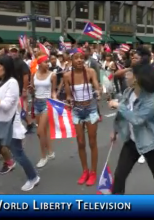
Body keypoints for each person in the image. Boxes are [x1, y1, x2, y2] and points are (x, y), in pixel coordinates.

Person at [109, 47, 154, 194]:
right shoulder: (128, 92)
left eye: (129, 73)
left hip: (151, 143)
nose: (126, 76)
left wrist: (118, 106)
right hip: (132, 142)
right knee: (119, 175)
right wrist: (115, 130)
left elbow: (137, 119)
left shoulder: (151, 98)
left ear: (137, 78)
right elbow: (122, 113)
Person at [0, 55, 40, 193]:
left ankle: (33, 177)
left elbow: (5, 106)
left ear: (6, 67)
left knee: (19, 155)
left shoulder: (13, 83)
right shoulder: (0, 84)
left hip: (10, 127)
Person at [63, 48, 100, 186]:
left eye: (81, 57)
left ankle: (93, 172)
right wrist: (67, 101)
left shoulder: (90, 72)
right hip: (77, 110)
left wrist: (98, 91)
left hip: (90, 109)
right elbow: (68, 95)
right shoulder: (67, 76)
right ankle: (85, 170)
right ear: (71, 60)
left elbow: (96, 85)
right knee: (80, 142)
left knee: (92, 142)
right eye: (76, 57)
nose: (79, 60)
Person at [29, 52, 56, 168]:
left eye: (48, 62)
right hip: (37, 103)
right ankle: (50, 151)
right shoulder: (34, 74)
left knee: (40, 131)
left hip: (47, 103)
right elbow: (32, 89)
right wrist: (30, 90)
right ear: (39, 63)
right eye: (45, 62)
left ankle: (43, 157)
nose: (48, 64)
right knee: (44, 131)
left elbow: (53, 91)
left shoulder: (53, 75)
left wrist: (55, 98)